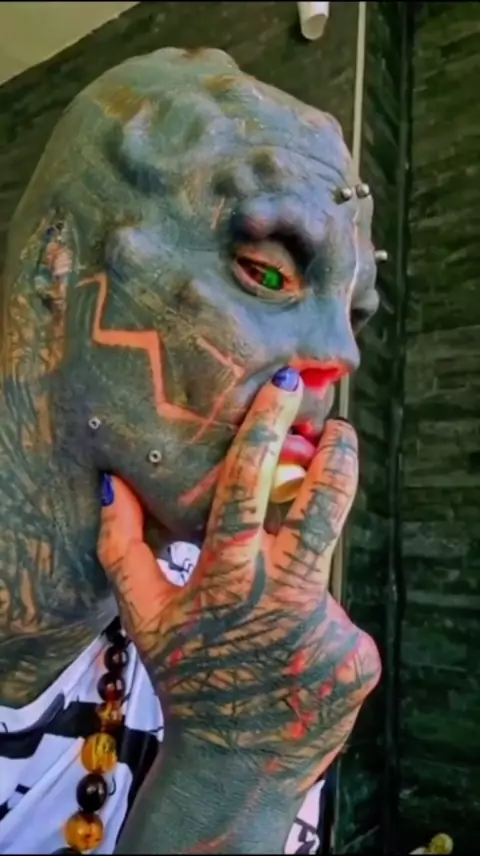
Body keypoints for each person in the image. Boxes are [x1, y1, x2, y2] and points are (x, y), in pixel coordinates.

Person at [0, 47, 382, 854]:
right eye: (265, 274)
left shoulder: (241, 650)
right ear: (55, 266)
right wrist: (225, 769)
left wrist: (241, 760)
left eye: (353, 316)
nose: (338, 357)